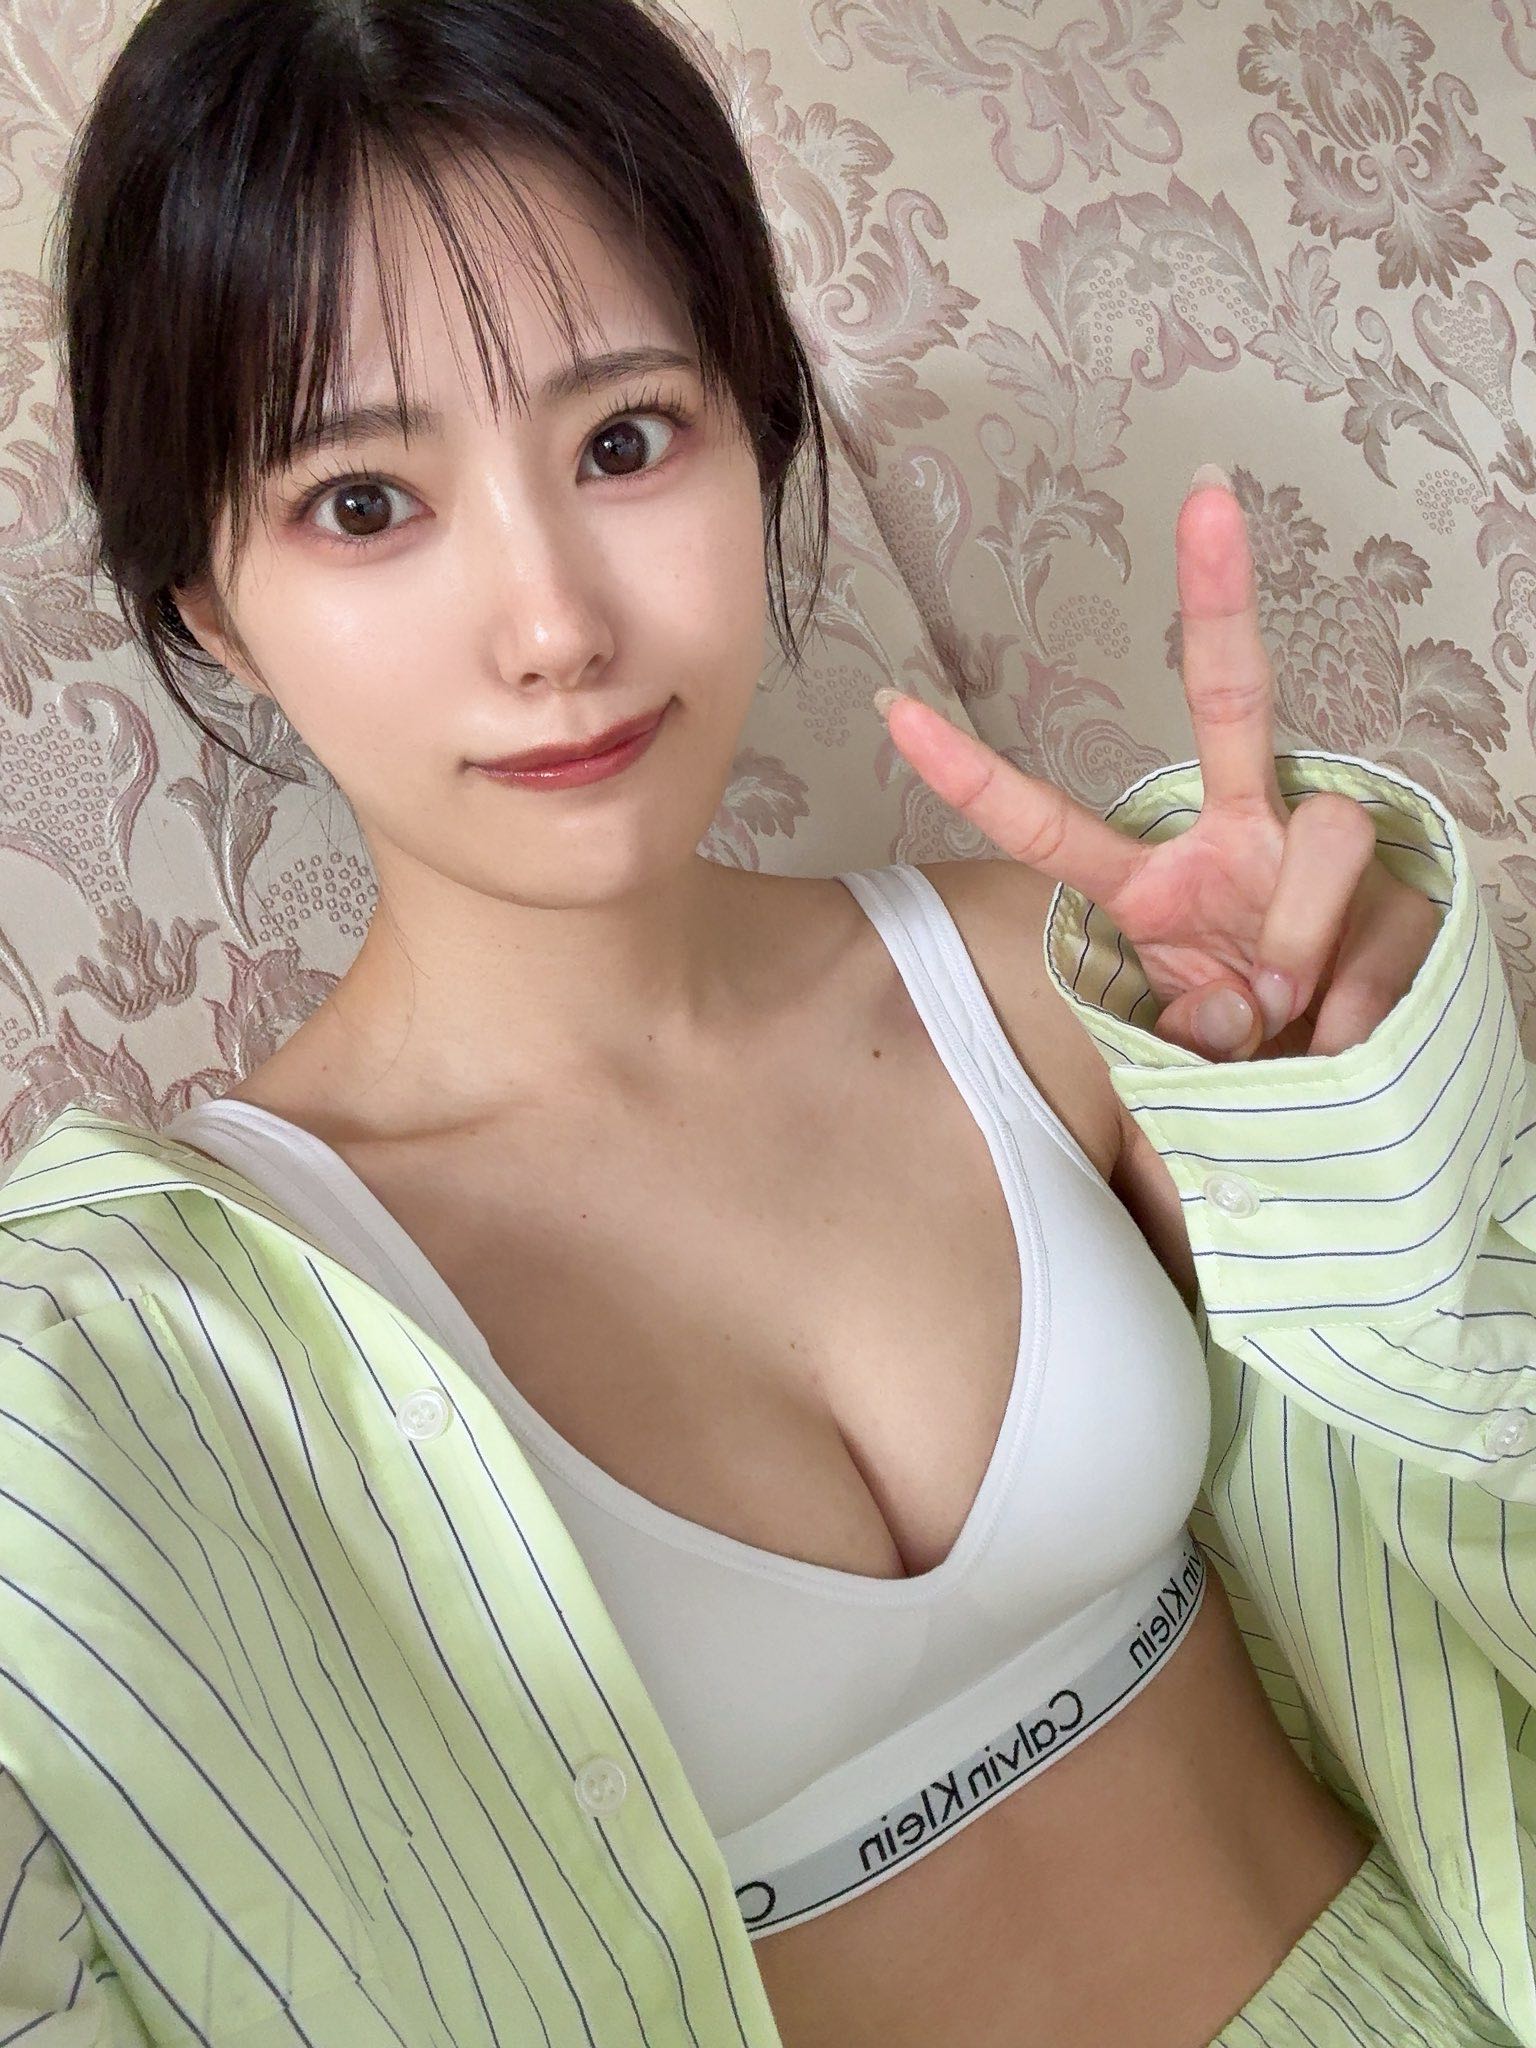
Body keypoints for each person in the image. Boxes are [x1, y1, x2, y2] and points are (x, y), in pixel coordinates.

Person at [1, 0, 1532, 2043]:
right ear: (210, 604)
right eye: (364, 502)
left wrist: (1353, 1105)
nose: (555, 625)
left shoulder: (1047, 983)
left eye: (626, 441)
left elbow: (1463, 1490)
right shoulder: (149, 1347)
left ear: (757, 431)